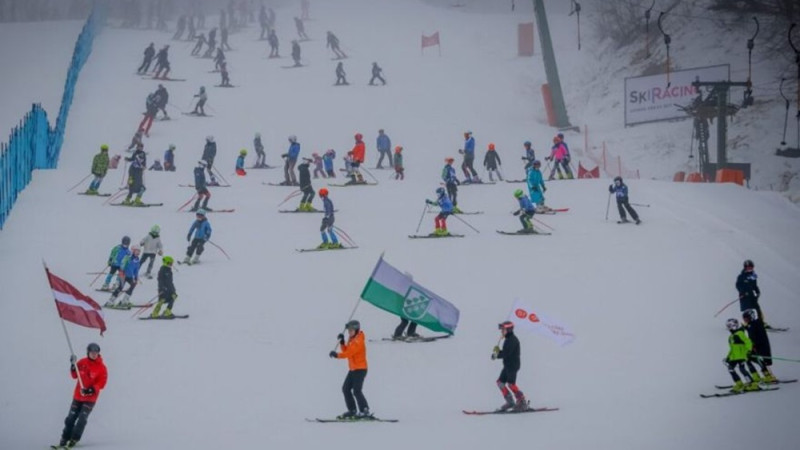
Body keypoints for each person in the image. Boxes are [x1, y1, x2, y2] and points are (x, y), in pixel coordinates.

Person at [54, 343, 107, 449]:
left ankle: (74, 439)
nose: (94, 354)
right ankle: (64, 439)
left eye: (96, 353)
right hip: (78, 396)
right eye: (92, 352)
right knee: (70, 418)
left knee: (82, 419)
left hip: (90, 399)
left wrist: (91, 390)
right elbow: (74, 375)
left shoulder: (102, 367)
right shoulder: (82, 362)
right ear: (88, 352)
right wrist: (73, 365)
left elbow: (102, 383)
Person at [329, 320, 371, 419]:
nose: (349, 332)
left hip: (360, 369)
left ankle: (365, 410)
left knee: (357, 390)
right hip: (353, 369)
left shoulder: (358, 341)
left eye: (351, 330)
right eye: (348, 330)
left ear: (356, 330)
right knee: (346, 389)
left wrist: (336, 355)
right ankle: (352, 410)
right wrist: (343, 343)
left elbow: (348, 353)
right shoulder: (352, 339)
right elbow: (347, 350)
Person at [492, 321, 527, 411]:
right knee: (500, 382)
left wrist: (497, 354)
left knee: (511, 384)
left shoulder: (512, 340)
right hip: (507, 365)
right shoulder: (508, 339)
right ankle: (510, 402)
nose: (501, 332)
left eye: (503, 330)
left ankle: (522, 402)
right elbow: (505, 352)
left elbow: (507, 353)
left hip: (513, 365)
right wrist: (497, 352)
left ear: (509, 329)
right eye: (502, 330)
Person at [723, 318, 760, 393]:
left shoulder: (740, 333)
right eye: (728, 326)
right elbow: (732, 349)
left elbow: (748, 342)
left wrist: (749, 351)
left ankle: (753, 384)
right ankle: (739, 384)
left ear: (735, 325)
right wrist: (728, 357)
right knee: (730, 369)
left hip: (742, 356)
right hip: (734, 357)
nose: (729, 328)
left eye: (730, 325)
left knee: (742, 369)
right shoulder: (731, 337)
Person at [741, 309, 777, 383]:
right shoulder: (753, 324)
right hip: (756, 346)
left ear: (751, 317)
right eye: (744, 318)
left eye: (746, 318)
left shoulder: (755, 324)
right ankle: (758, 376)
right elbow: (751, 332)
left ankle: (768, 376)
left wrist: (753, 345)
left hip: (760, 347)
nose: (745, 320)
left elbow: (757, 336)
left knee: (759, 360)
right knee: (750, 359)